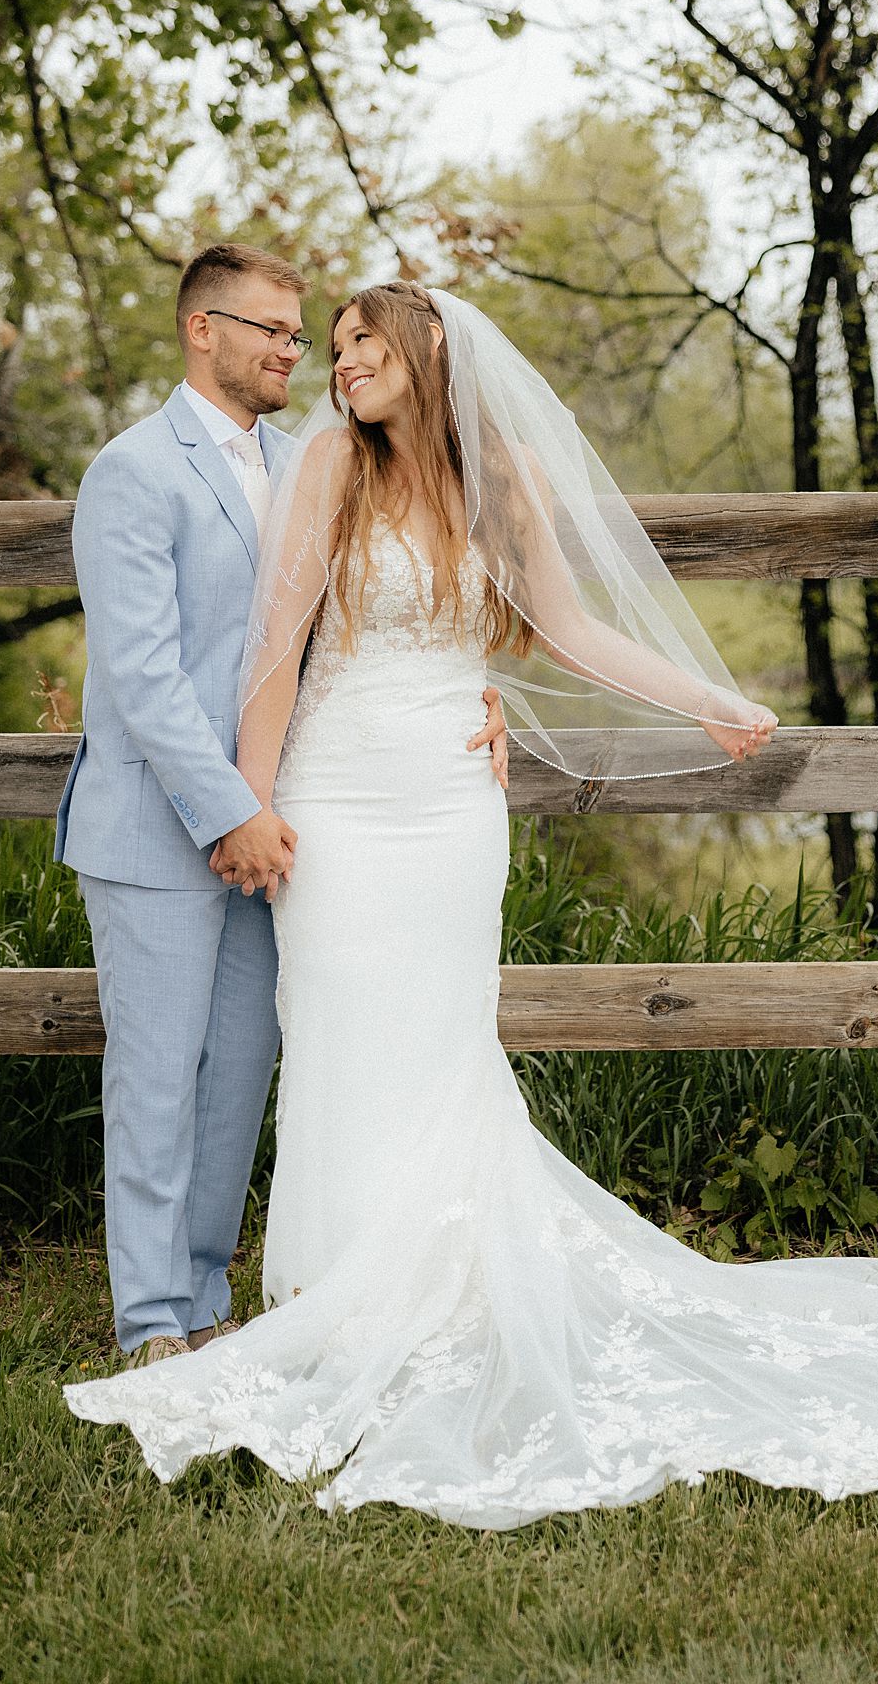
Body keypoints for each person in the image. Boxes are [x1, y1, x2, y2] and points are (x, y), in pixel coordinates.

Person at [65, 280, 878, 1522]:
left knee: (436, 1048)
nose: (338, 365)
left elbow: (570, 628)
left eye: (359, 345)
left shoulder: (503, 473)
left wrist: (704, 698)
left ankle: (452, 1299)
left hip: (446, 810)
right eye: (328, 351)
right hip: (337, 807)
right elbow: (274, 648)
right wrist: (251, 812)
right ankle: (334, 1303)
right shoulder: (326, 466)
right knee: (336, 1049)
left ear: (426, 354)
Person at [58, 245, 508, 1362]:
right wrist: (230, 811)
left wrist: (474, 686)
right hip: (167, 824)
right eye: (269, 329)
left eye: (300, 335)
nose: (291, 352)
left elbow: (358, 616)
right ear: (199, 330)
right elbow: (143, 678)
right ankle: (152, 1321)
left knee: (237, 1078)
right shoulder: (133, 470)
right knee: (158, 1080)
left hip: (295, 820)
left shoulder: (320, 457)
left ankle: (207, 1298)